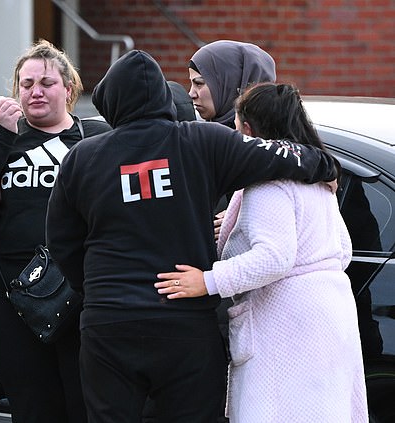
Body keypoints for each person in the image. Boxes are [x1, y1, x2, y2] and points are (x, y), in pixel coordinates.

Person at [45, 49, 338, 423]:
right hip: (184, 324)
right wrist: (325, 165)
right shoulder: (203, 141)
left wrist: (98, 288)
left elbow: (62, 241)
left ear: (110, 101)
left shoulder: (82, 157)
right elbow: (279, 156)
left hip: (109, 323)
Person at [156, 82, 368, 422]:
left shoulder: (269, 183)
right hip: (331, 318)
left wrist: (207, 281)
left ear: (248, 130)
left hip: (286, 326)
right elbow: (342, 250)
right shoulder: (319, 179)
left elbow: (274, 257)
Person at [0, 39, 111, 423]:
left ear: (68, 90)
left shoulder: (95, 137)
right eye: (27, 83)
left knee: (84, 401)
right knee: (31, 404)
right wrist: (4, 135)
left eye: (47, 83)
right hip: (12, 294)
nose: (35, 91)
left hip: (81, 292)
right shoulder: (0, 140)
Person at [188, 39, 276, 129]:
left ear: (231, 84)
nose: (191, 94)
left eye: (199, 83)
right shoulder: (197, 131)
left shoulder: (269, 137)